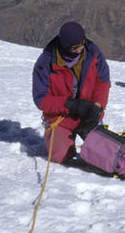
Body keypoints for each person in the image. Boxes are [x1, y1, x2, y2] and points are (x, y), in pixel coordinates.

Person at [32, 20, 111, 164]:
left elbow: (103, 82)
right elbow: (41, 100)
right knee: (60, 156)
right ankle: (61, 138)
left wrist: (97, 107)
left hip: (88, 114)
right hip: (60, 118)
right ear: (64, 46)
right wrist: (71, 105)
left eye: (82, 43)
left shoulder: (93, 53)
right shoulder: (46, 63)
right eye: (75, 47)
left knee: (104, 155)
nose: (80, 49)